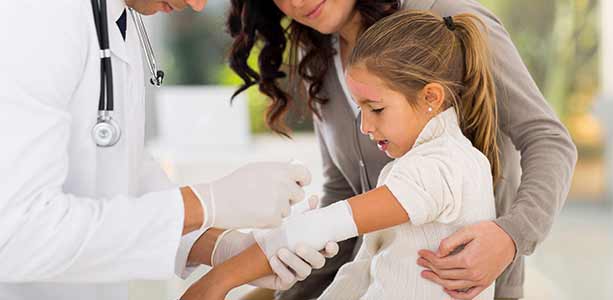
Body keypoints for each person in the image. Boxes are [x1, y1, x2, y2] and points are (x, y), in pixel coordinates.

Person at [225, 0, 578, 299]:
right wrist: (288, 291)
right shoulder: (316, 55)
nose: (298, 3)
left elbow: (548, 140)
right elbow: (345, 191)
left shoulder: (444, 20)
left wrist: (512, 235)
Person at [0, 1, 337, 300]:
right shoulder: (37, 13)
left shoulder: (121, 16)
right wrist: (203, 203)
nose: (198, 4)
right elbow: (14, 235)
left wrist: (222, 247)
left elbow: (117, 169)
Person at [181, 10, 502, 300]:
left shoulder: (438, 169)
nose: (364, 126)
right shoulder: (433, 162)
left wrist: (218, 281)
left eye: (376, 109)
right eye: (360, 108)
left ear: (431, 96)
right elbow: (363, 268)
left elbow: (325, 225)